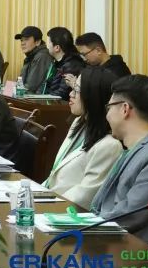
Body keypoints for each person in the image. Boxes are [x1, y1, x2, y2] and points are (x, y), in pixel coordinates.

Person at [90, 75, 148, 246]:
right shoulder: (134, 148)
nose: (107, 115)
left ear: (124, 109)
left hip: (134, 252)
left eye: (109, 108)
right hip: (109, 240)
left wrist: (84, 226)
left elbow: (131, 216)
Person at [43, 67, 123, 206]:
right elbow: (54, 175)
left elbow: (84, 197)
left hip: (65, 210)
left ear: (93, 97)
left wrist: (44, 204)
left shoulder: (110, 146)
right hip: (49, 199)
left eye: (76, 90)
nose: (71, 94)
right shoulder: (79, 123)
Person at [42, 27, 85, 99]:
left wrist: (42, 97)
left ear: (57, 48)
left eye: (48, 43)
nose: (47, 46)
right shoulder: (57, 62)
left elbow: (62, 93)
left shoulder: (72, 65)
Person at [15, 26, 54, 94]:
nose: (22, 43)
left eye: (26, 39)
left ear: (37, 42)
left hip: (36, 99)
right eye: (21, 40)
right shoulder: (31, 56)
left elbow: (30, 87)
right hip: (27, 96)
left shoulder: (42, 56)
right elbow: (20, 83)